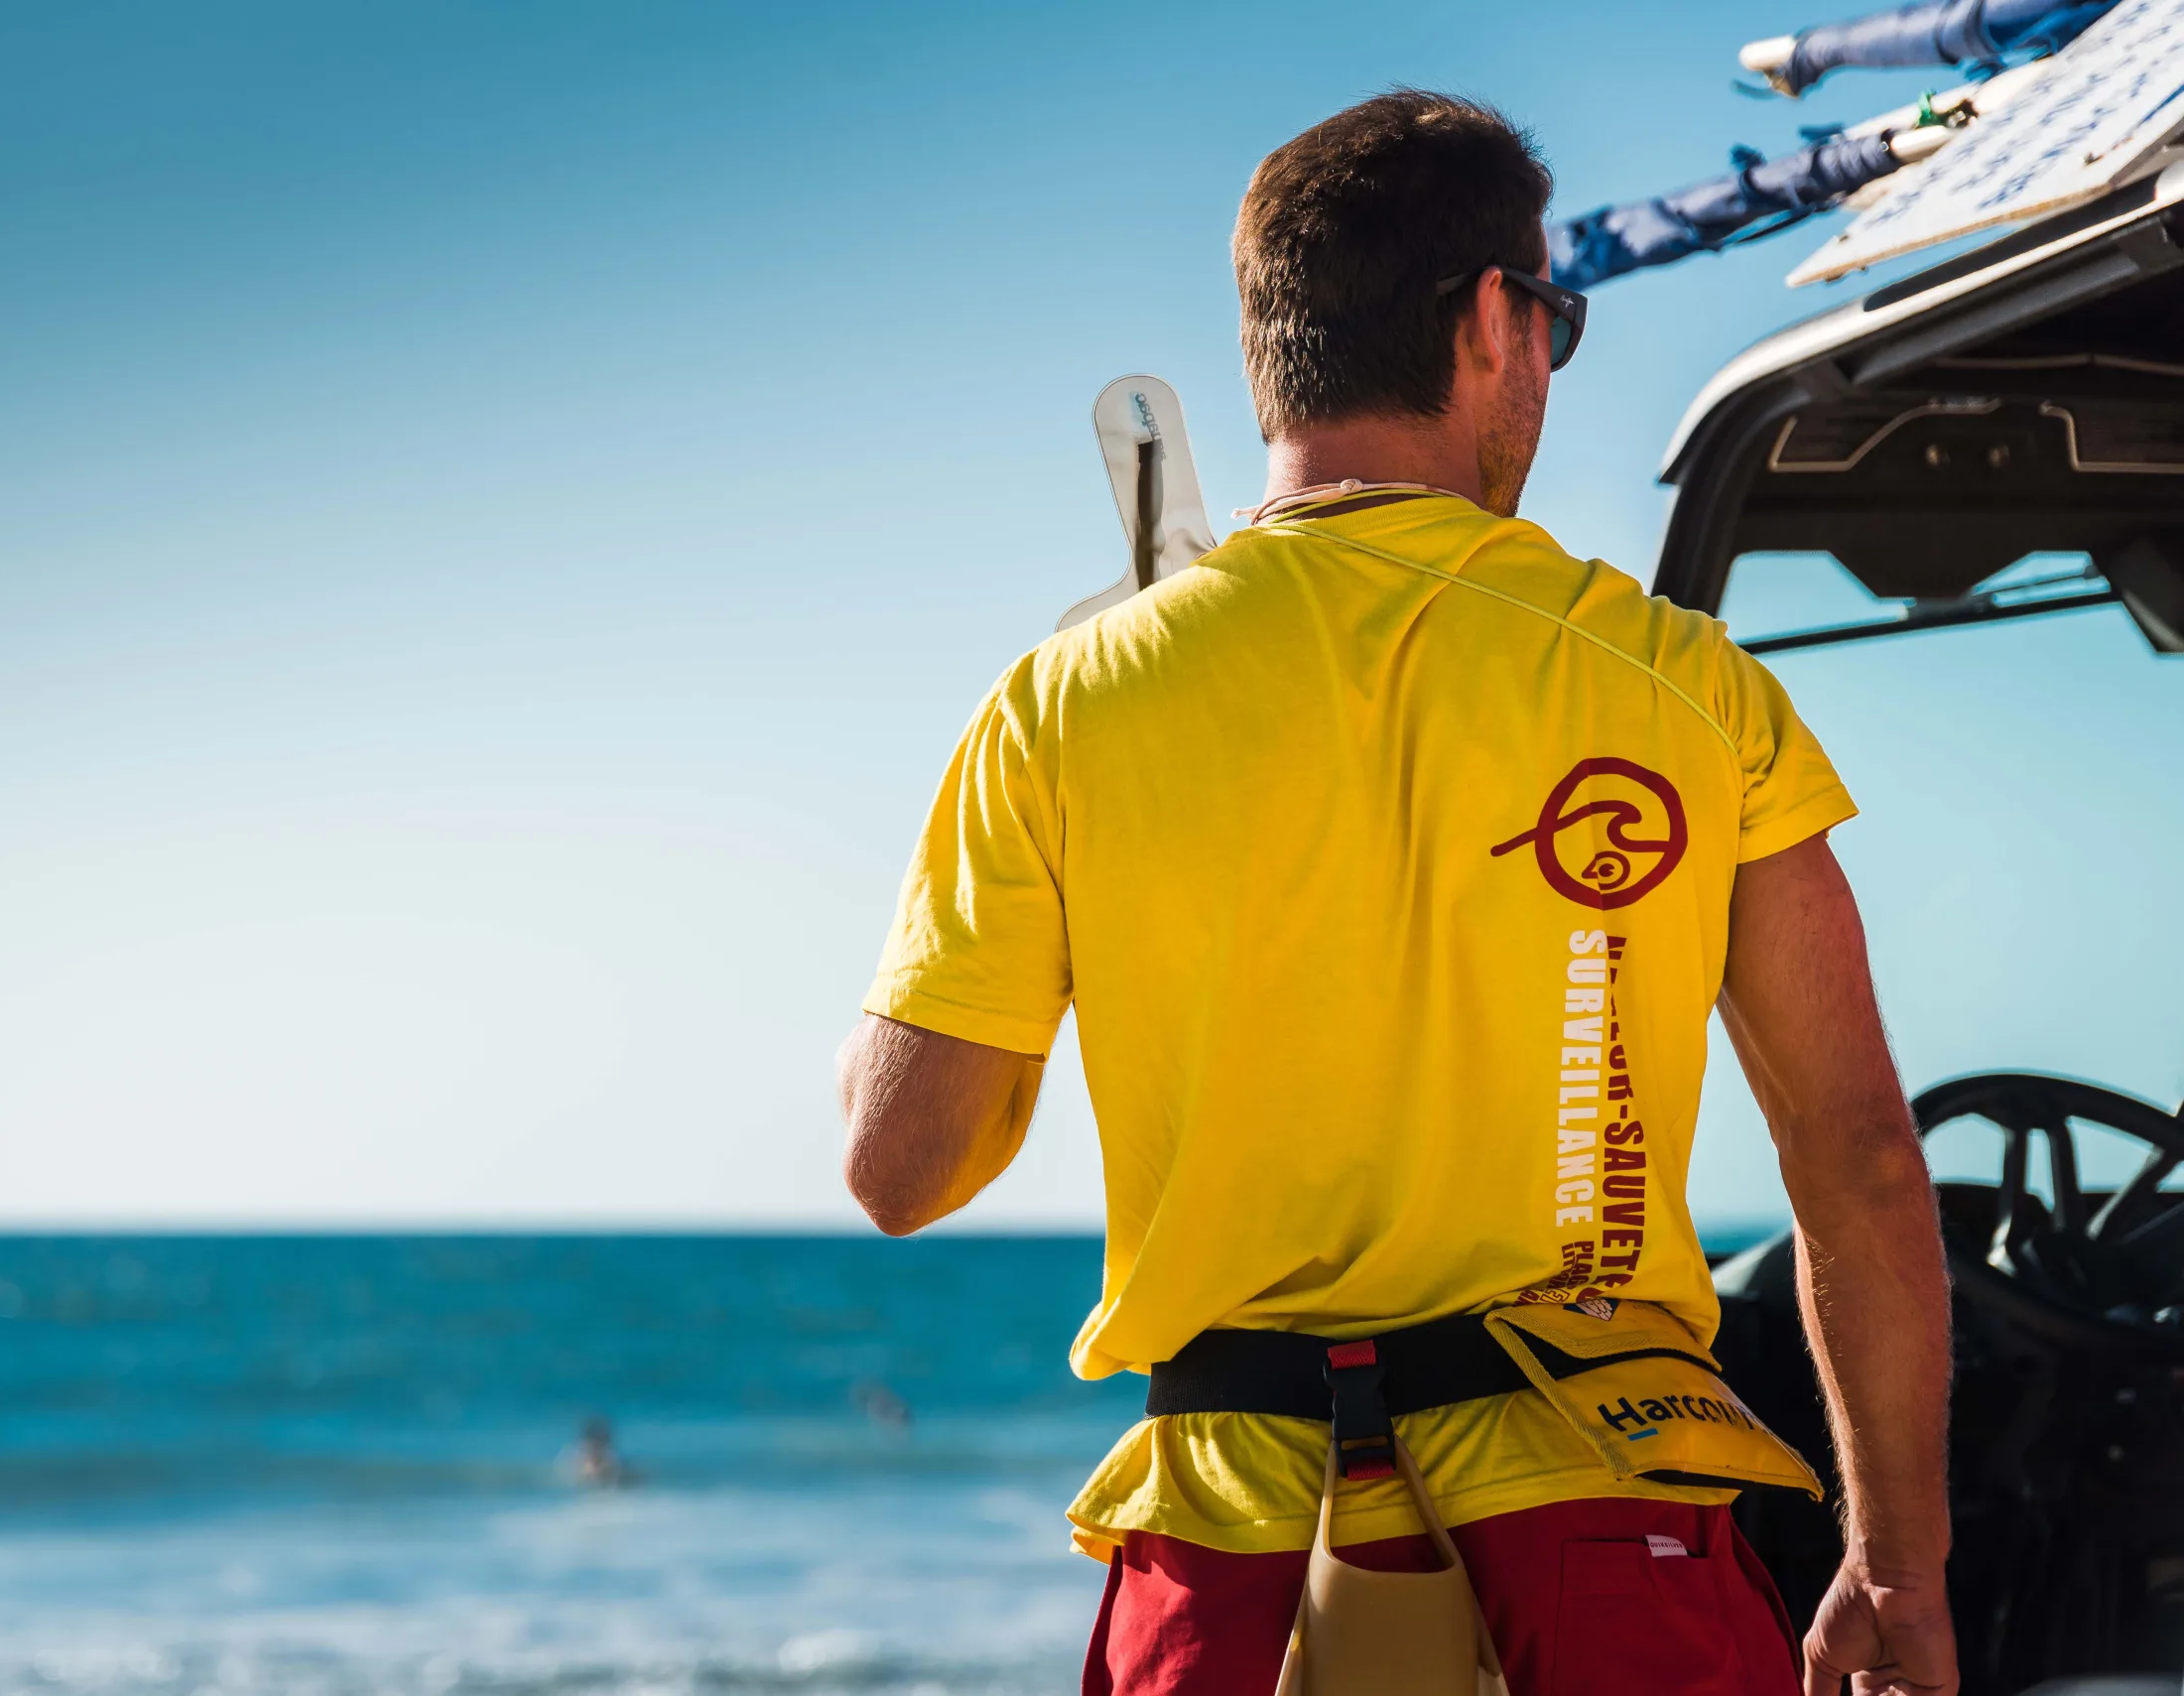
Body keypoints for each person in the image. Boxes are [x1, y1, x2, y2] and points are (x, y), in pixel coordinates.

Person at [837, 91, 1957, 1696]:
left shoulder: (1064, 703)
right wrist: (1894, 1570)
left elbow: (900, 1165)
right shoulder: (1681, 689)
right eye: (1555, 322)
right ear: (1496, 319)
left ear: (1266, 359)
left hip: (1229, 1558)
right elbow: (1852, 1152)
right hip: (1597, 1522)